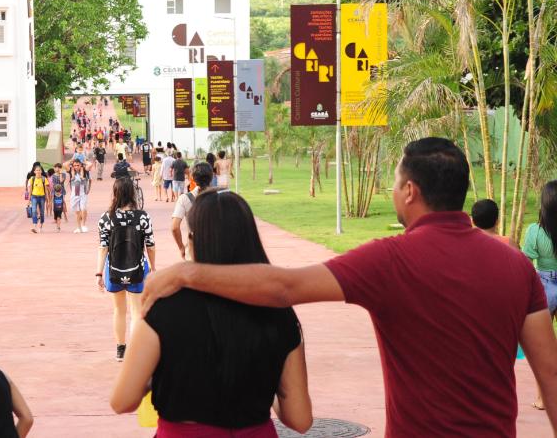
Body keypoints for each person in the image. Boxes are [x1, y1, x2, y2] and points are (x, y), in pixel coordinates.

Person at [143, 137, 557, 435]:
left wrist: (187, 273)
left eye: (394, 183)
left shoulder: (390, 260)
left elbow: (285, 287)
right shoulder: (516, 266)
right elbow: (550, 373)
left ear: (409, 191)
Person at [111, 190, 312, 435]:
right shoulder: (278, 312)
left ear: (194, 239)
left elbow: (122, 401)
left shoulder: (163, 308)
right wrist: (267, 384)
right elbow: (300, 419)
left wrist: (156, 375)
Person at [97, 178, 156, 362]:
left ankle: (121, 349)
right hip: (138, 267)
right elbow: (150, 245)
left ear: (115, 193)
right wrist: (153, 267)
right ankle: (136, 350)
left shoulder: (106, 218)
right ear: (132, 193)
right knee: (136, 311)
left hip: (113, 268)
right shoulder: (143, 216)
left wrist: (99, 273)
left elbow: (103, 247)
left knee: (119, 310)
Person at [522, 180, 557, 410]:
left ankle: (543, 399)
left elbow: (526, 262)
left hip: (544, 284)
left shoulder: (535, 231)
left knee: (543, 347)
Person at [171, 162, 213, 261]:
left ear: (193, 178)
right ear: (211, 177)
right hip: (216, 250)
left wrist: (181, 247)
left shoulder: (184, 199)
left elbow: (174, 227)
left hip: (194, 251)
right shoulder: (220, 196)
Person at [68, 159, 92, 233]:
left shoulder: (84, 170)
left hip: (82, 192)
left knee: (83, 208)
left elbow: (90, 164)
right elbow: (64, 164)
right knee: (77, 212)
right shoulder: (71, 171)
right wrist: (71, 161)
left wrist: (83, 161)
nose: (76, 167)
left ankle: (83, 225)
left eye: (78, 165)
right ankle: (79, 227)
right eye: (75, 165)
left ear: (80, 165)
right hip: (75, 193)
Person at [27, 165, 49, 234]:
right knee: (34, 211)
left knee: (42, 212)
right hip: (34, 197)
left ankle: (40, 226)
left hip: (42, 197)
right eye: (37, 170)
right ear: (34, 171)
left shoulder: (44, 179)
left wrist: (47, 199)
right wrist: (29, 199)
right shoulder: (32, 179)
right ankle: (34, 226)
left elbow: (46, 190)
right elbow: (30, 190)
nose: (38, 171)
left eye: (39, 170)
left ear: (41, 171)